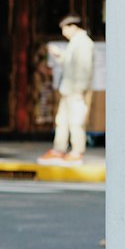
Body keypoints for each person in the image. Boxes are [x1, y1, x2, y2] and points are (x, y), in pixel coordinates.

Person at [38, 16, 94, 165]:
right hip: (68, 89)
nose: (64, 33)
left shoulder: (84, 43)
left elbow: (84, 68)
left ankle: (77, 152)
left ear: (73, 26)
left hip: (75, 90)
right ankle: (59, 150)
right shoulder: (75, 43)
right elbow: (71, 64)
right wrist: (60, 56)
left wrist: (79, 90)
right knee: (62, 120)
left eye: (65, 28)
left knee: (76, 121)